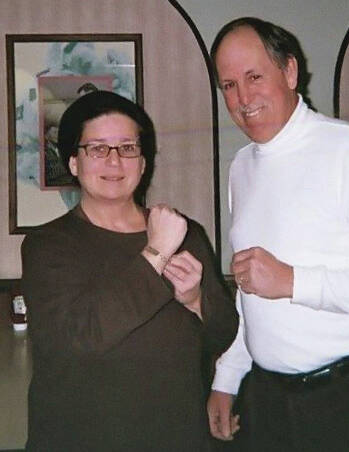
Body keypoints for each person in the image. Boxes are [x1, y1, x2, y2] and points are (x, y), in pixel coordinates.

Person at [206, 17, 349, 452]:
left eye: (254, 77)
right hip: (271, 401)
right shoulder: (242, 168)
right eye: (229, 85)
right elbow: (252, 289)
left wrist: (294, 280)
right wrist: (229, 375)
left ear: (290, 72)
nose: (242, 98)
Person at [21, 90, 238, 452]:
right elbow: (79, 342)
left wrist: (197, 301)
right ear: (74, 162)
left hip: (176, 435)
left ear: (143, 162)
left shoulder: (186, 233)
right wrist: (156, 253)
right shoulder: (48, 245)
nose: (114, 161)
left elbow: (225, 334)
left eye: (127, 148)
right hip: (79, 437)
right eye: (97, 148)